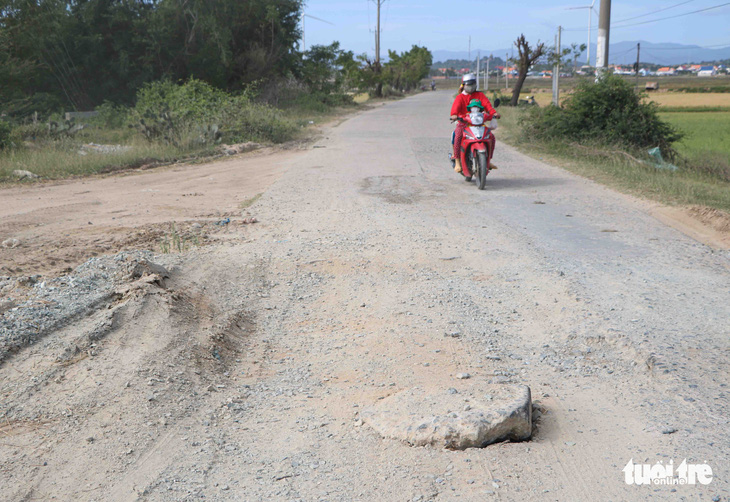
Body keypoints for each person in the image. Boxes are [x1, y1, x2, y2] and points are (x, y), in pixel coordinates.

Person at [450, 73, 500, 173]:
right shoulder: (460, 97)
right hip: (463, 122)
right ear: (463, 85)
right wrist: (454, 115)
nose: (470, 87)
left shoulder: (480, 95)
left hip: (478, 123)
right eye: (468, 85)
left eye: (472, 84)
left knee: (491, 137)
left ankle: (488, 160)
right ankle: (457, 161)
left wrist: (494, 113)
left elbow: (488, 106)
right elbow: (454, 109)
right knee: (458, 135)